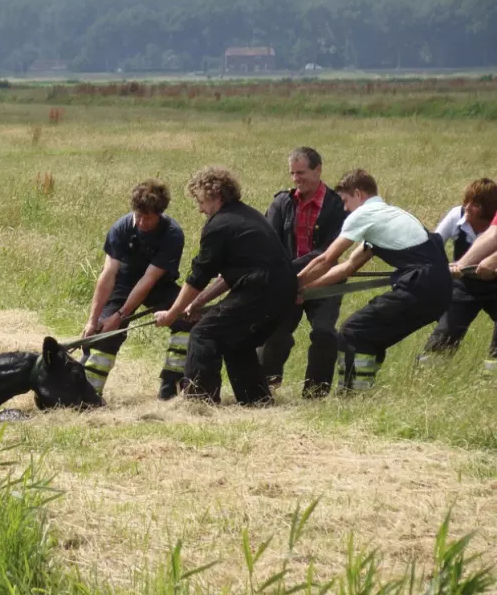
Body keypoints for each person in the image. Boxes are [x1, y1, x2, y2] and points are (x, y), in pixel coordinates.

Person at [297, 169, 452, 392]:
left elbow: (326, 258)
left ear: (358, 194)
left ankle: (351, 394)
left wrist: (294, 284)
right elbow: (347, 268)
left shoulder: (364, 215)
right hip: (440, 290)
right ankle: (362, 393)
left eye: (345, 201)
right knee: (369, 336)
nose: (345, 208)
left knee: (353, 331)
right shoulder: (390, 215)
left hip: (420, 284)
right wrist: (307, 289)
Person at [153, 167, 296, 406]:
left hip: (261, 288)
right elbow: (228, 277)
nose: (199, 208)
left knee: (203, 333)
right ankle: (256, 400)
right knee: (236, 340)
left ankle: (199, 402)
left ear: (215, 196)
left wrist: (172, 314)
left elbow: (199, 275)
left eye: (200, 201)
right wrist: (195, 303)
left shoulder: (219, 226)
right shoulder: (245, 215)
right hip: (282, 290)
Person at [80, 179, 192, 400]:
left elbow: (148, 281)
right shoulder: (121, 228)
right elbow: (108, 274)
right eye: (137, 216)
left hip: (158, 285)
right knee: (105, 334)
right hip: (123, 284)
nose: (141, 223)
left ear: (159, 214)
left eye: (147, 218)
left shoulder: (172, 234)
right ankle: (88, 394)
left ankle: (171, 385)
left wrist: (120, 316)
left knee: (188, 319)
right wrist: (93, 320)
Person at [258, 147, 347, 398]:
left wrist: (297, 277)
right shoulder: (281, 202)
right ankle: (264, 386)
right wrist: (284, 280)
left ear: (318, 169)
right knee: (275, 332)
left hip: (325, 281)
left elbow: (328, 251)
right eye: (293, 173)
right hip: (285, 283)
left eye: (302, 172)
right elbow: (268, 243)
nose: (297, 179)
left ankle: (315, 393)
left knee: (323, 333)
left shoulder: (338, 206)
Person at [417, 178, 497, 373]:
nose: (467, 208)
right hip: (465, 285)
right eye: (466, 201)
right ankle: (427, 372)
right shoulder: (456, 215)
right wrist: (443, 268)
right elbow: (434, 245)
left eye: (476, 205)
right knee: (446, 331)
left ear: (490, 209)